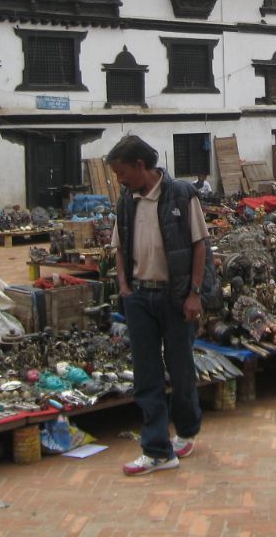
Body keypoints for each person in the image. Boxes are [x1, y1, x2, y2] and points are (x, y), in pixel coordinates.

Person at [108, 135, 208, 476]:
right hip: (140, 297)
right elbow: (119, 248)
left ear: (140, 165)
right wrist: (125, 288)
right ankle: (157, 450)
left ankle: (187, 431)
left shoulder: (181, 194)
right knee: (146, 374)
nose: (120, 180)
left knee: (181, 369)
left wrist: (194, 293)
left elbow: (199, 245)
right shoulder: (126, 201)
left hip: (175, 297)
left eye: (122, 173)